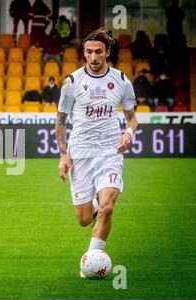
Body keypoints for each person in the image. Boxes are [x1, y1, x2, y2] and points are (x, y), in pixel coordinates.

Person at [55, 27, 138, 278]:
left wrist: (128, 134)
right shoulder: (71, 82)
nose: (93, 57)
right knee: (83, 219)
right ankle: (90, 205)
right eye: (89, 52)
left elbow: (132, 119)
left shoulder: (122, 81)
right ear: (84, 52)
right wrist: (62, 155)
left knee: (107, 208)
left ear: (107, 53)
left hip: (109, 152)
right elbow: (60, 120)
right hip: (80, 153)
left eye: (98, 52)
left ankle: (91, 262)